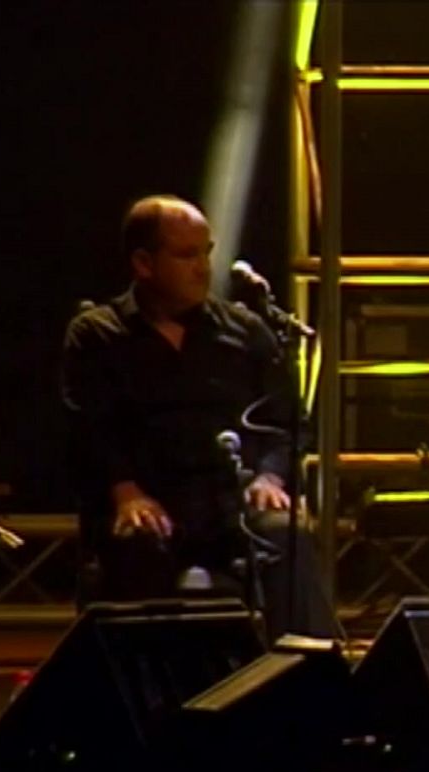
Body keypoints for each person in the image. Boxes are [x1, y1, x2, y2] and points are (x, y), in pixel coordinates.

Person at [60, 195, 336, 642]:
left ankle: (311, 681)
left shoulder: (245, 331)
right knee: (138, 547)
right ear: (144, 263)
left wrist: (270, 478)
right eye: (187, 255)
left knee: (287, 536)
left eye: (206, 253)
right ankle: (146, 695)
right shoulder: (98, 334)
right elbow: (88, 429)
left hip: (230, 506)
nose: (203, 268)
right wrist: (125, 492)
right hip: (151, 502)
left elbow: (288, 421)